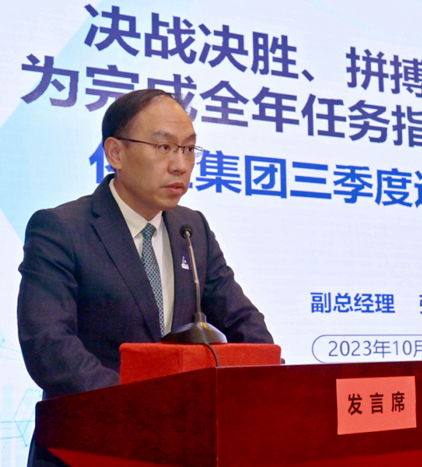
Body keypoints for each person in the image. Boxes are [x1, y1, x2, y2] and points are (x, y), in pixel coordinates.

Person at [17, 89, 273, 466]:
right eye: (164, 147)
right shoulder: (62, 229)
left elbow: (243, 321)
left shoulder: (192, 230)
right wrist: (144, 407)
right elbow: (48, 345)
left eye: (189, 149)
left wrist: (266, 385)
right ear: (115, 153)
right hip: (88, 447)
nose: (180, 165)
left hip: (181, 447)